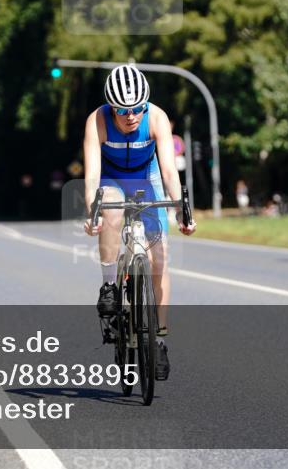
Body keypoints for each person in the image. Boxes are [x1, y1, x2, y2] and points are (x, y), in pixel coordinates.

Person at [82, 65, 196, 381]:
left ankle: (158, 340)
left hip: (148, 178)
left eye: (137, 108)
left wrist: (181, 211)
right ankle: (109, 286)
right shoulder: (97, 121)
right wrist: (92, 212)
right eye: (122, 110)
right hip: (112, 178)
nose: (131, 116)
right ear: (111, 107)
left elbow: (170, 172)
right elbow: (91, 176)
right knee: (112, 213)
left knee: (160, 257)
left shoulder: (156, 117)